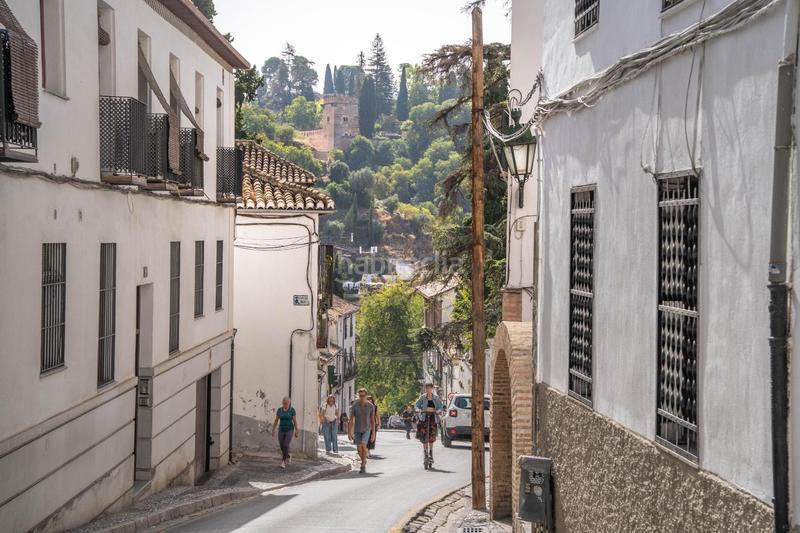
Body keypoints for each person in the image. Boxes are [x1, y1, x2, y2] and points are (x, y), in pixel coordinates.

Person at [415, 383, 443, 470]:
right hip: (424, 418)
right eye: (426, 388)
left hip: (433, 418)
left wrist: (438, 411)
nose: (428, 390)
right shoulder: (423, 397)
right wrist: (418, 410)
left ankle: (430, 452)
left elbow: (440, 407)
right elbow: (416, 405)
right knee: (424, 437)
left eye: (429, 388)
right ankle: (425, 452)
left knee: (431, 436)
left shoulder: (436, 397)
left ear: (432, 389)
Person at [348, 388, 376, 473]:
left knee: (364, 445)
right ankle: (363, 460)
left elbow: (372, 421)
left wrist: (373, 433)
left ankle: (363, 465)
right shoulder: (355, 406)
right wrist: (349, 432)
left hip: (366, 429)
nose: (361, 397)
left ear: (366, 396)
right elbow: (351, 419)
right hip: (357, 429)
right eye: (360, 396)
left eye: (363, 396)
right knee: (359, 449)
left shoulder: (371, 406)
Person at [272, 397, 298, 469]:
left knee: (286, 445)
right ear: (282, 403)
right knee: (281, 446)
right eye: (284, 403)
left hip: (290, 429)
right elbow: (276, 420)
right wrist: (273, 429)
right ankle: (288, 455)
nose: (285, 405)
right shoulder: (279, 410)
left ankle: (283, 462)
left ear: (289, 403)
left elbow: (295, 421)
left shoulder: (292, 410)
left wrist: (296, 430)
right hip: (281, 429)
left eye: (287, 404)